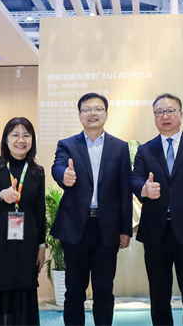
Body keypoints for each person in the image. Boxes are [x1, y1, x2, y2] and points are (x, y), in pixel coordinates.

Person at [132, 93, 183, 326]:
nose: (165, 116)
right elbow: (135, 178)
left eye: (170, 111)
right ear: (154, 117)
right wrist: (143, 189)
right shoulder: (145, 150)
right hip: (155, 233)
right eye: (159, 112)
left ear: (181, 114)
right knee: (159, 295)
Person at [51, 93, 133, 326]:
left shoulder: (119, 147)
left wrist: (125, 228)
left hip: (107, 229)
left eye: (98, 109)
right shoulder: (67, 144)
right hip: (75, 227)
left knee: (104, 290)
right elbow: (57, 167)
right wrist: (64, 175)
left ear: (106, 114)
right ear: (80, 115)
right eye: (87, 110)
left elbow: (125, 190)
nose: (93, 113)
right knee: (74, 290)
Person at [0, 117, 46, 326]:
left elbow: (39, 211)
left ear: (32, 140)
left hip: (26, 243)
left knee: (23, 291)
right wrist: (1, 195)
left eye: (26, 135)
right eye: (15, 135)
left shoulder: (37, 171)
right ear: (6, 139)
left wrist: (41, 245)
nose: (21, 140)